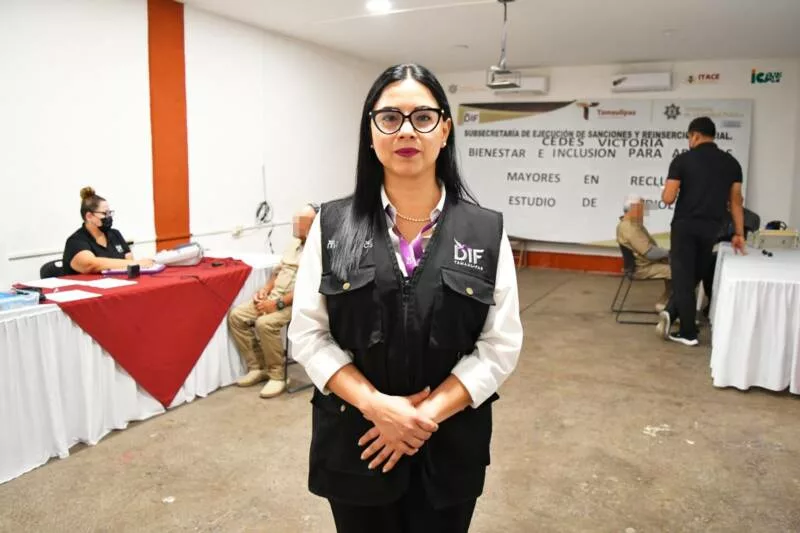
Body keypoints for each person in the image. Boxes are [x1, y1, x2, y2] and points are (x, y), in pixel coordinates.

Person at [288, 64, 523, 533]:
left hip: (448, 447)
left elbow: (500, 344)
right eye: (390, 118)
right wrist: (377, 407)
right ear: (370, 132)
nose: (407, 131)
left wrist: (420, 417)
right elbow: (309, 334)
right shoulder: (333, 226)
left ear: (445, 130)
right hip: (358, 445)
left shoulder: (484, 231)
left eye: (423, 117)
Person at [659, 117, 746, 346]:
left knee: (682, 279)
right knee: (693, 276)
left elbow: (668, 198)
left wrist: (665, 190)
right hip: (711, 228)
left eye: (689, 137)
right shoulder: (732, 164)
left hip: (685, 226)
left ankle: (688, 333)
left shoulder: (682, 160)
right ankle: (671, 312)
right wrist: (739, 233)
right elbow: (736, 202)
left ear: (695, 135)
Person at [227, 204, 317, 398]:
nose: (295, 225)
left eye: (300, 222)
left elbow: (308, 287)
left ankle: (277, 376)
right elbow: (278, 271)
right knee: (237, 316)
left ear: (312, 225)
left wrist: (277, 304)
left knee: (265, 323)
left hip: (297, 303)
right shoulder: (293, 243)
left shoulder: (318, 249)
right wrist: (265, 290)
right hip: (275, 296)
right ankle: (258, 367)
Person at [63, 187, 153, 275]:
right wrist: (137, 263)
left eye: (109, 213)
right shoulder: (75, 241)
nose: (109, 217)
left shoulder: (115, 234)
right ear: (89, 216)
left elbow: (129, 261)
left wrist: (135, 263)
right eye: (105, 213)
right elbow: (90, 265)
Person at [616, 194, 671, 311]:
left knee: (672, 263)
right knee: (677, 271)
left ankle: (667, 301)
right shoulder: (630, 228)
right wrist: (669, 253)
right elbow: (649, 252)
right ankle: (666, 304)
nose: (643, 212)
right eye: (641, 208)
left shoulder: (631, 224)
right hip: (641, 268)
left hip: (643, 264)